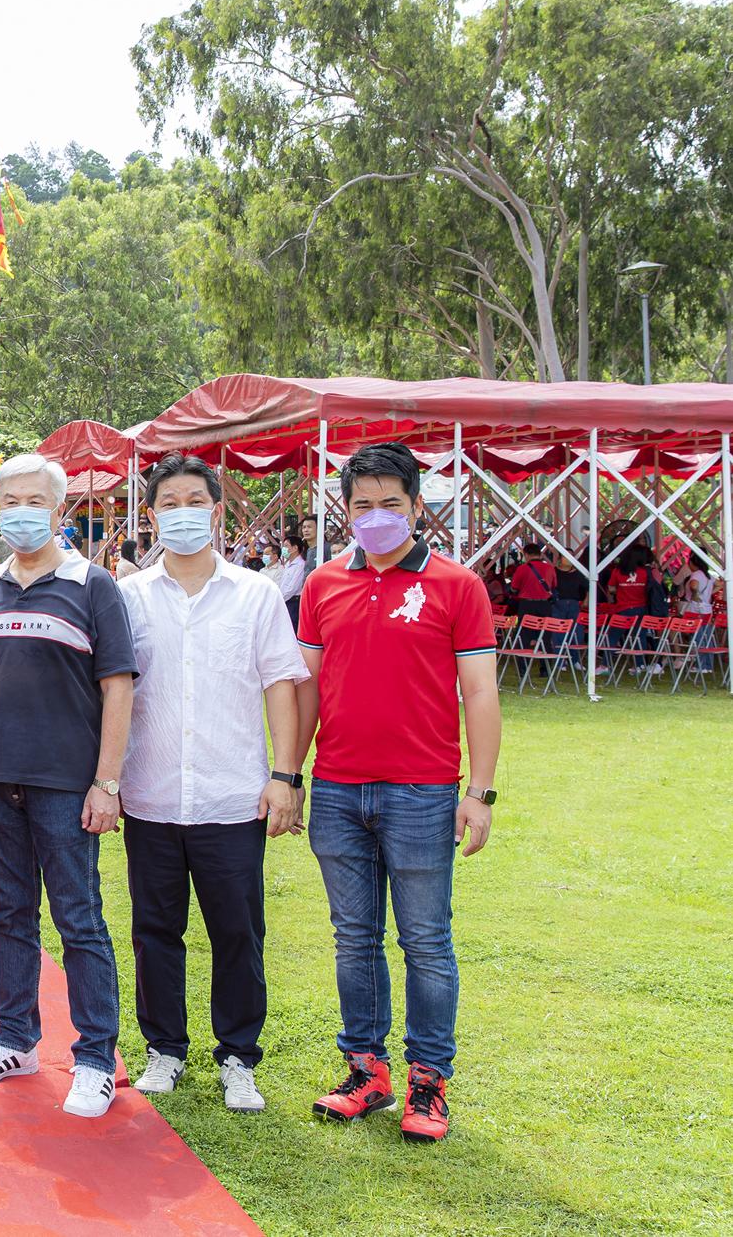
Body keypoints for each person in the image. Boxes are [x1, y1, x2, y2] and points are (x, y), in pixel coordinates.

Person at [292, 441, 499, 1145]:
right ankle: (366, 1071)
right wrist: (289, 776)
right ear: (345, 511)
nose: (376, 516)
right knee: (354, 939)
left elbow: (480, 692)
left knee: (426, 941)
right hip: (338, 788)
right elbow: (308, 689)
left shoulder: (456, 586)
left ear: (416, 507)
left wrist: (480, 792)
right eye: (362, 505)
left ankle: (428, 1082)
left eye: (390, 503)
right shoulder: (322, 584)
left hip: (423, 791)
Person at [117, 456, 307, 1115]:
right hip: (151, 794)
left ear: (217, 511)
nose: (182, 514)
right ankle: (164, 1049)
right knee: (154, 931)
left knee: (238, 934)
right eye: (168, 504)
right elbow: (113, 692)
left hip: (232, 798)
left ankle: (238, 1058)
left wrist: (285, 776)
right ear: (151, 517)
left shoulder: (255, 594)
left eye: (194, 501)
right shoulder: (129, 599)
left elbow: (281, 684)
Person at [0, 453, 135, 1119]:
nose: (22, 512)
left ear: (58, 510)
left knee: (79, 919)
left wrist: (106, 783)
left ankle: (95, 1059)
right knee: (10, 914)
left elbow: (118, 688)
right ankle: (15, 1038)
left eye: (35, 500)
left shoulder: (92, 585)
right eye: (11, 500)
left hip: (65, 785)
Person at [508, 544, 556, 623]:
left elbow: (514, 588)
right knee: (543, 629)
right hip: (544, 604)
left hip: (527, 605)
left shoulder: (521, 568)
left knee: (526, 629)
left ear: (526, 554)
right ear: (540, 554)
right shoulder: (550, 568)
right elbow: (554, 585)